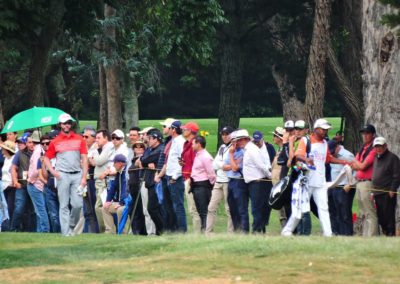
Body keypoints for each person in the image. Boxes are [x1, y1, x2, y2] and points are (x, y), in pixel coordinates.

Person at [282, 118, 349, 237]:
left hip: (320, 182)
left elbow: (328, 159)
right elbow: (297, 156)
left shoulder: (325, 143)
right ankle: (287, 230)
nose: (325, 132)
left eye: (326, 130)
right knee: (301, 208)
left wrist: (344, 162)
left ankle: (328, 234)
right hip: (307, 181)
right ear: (317, 129)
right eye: (323, 130)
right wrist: (306, 159)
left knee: (323, 208)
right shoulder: (305, 140)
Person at [44, 113, 88, 236]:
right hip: (62, 175)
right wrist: (53, 172)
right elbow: (47, 159)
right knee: (63, 205)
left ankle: (71, 226)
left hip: (77, 174)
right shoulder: (55, 142)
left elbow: (84, 159)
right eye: (64, 123)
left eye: (68, 123)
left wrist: (84, 177)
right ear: (60, 125)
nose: (67, 125)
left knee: (77, 205)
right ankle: (65, 233)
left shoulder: (79, 139)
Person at [155, 120, 187, 232]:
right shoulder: (173, 141)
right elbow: (169, 161)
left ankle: (181, 230)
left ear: (173, 129)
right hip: (168, 176)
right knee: (169, 206)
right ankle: (172, 229)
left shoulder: (180, 142)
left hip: (175, 178)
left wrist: (175, 176)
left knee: (178, 206)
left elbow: (182, 161)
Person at [350, 124, 378, 236]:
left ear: (373, 135)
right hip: (360, 182)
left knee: (369, 211)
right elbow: (354, 163)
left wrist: (358, 164)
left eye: (368, 133)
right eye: (364, 134)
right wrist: (358, 164)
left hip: (368, 182)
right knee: (363, 211)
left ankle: (371, 235)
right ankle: (365, 235)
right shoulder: (363, 148)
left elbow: (362, 166)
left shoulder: (374, 148)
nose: (365, 136)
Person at [206, 126, 234, 234]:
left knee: (228, 209)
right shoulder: (222, 147)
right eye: (223, 134)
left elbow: (230, 165)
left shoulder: (234, 147)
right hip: (219, 181)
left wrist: (221, 165)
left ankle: (230, 233)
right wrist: (223, 165)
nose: (224, 136)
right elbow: (214, 164)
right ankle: (209, 233)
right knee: (211, 207)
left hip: (228, 181)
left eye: (227, 134)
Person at [371, 137, 400, 236]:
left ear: (385, 146)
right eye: (376, 147)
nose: (378, 149)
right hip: (377, 193)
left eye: (380, 146)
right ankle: (386, 234)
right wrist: (372, 191)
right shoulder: (376, 158)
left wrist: (392, 189)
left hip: (387, 193)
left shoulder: (392, 158)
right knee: (381, 218)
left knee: (389, 218)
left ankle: (390, 235)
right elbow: (374, 175)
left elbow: (396, 176)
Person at [138, 129, 164, 235]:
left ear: (156, 139)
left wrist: (145, 162)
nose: (147, 140)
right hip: (150, 183)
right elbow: (143, 159)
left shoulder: (160, 149)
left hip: (156, 183)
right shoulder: (150, 149)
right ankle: (160, 231)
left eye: (150, 138)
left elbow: (144, 160)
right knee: (152, 209)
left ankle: (162, 230)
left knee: (153, 209)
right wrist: (145, 162)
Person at [74, 125, 98, 234]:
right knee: (87, 211)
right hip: (84, 181)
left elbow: (93, 163)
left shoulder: (96, 148)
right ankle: (89, 233)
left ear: (94, 137)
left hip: (93, 180)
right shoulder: (83, 149)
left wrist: (86, 161)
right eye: (83, 136)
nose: (83, 139)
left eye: (86, 137)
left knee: (94, 209)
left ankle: (96, 232)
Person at [327, 140, 355, 236]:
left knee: (345, 213)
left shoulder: (347, 155)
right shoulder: (331, 155)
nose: (332, 154)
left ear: (338, 147)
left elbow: (355, 171)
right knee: (337, 212)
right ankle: (340, 233)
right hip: (335, 186)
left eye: (333, 152)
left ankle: (347, 233)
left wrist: (350, 185)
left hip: (345, 187)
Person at [224, 130, 248, 233]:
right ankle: (237, 230)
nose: (233, 143)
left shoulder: (242, 152)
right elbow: (224, 167)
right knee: (232, 208)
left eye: (235, 141)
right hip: (231, 181)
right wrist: (232, 160)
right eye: (232, 141)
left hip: (240, 181)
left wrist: (231, 155)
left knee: (241, 208)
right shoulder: (232, 151)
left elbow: (235, 169)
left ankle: (244, 231)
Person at [10, 134, 36, 232]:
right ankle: (14, 229)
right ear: (26, 143)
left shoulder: (39, 153)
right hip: (22, 185)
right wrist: (15, 181)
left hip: (34, 185)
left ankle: (33, 231)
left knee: (34, 211)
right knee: (19, 208)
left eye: (34, 142)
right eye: (29, 142)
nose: (32, 144)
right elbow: (13, 168)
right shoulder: (20, 153)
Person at [179, 121, 201, 233]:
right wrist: (183, 163)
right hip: (186, 177)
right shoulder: (187, 143)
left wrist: (192, 179)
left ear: (191, 132)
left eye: (185, 129)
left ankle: (198, 233)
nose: (183, 130)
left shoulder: (194, 144)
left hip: (192, 179)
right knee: (191, 208)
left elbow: (195, 163)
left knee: (194, 208)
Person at [155, 118, 177, 232]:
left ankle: (172, 229)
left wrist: (159, 175)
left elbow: (167, 162)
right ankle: (167, 228)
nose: (162, 128)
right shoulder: (167, 140)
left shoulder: (172, 142)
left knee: (169, 205)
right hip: (162, 176)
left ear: (171, 128)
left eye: (164, 126)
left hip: (166, 177)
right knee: (164, 205)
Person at [27, 130, 50, 233]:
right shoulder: (40, 150)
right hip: (39, 182)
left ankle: (44, 230)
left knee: (40, 210)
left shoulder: (37, 151)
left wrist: (30, 178)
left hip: (35, 183)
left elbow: (36, 169)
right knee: (40, 209)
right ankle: (40, 230)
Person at [91, 129, 114, 233]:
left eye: (99, 138)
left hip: (104, 181)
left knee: (99, 207)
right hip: (99, 181)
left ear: (106, 138)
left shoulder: (108, 147)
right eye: (96, 138)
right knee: (99, 207)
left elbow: (99, 161)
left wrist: (95, 150)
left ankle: (105, 230)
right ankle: (105, 230)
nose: (96, 140)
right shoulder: (104, 148)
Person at [191, 135, 215, 231]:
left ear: (198, 144)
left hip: (203, 186)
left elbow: (211, 173)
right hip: (196, 186)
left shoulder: (206, 157)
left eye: (193, 144)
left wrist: (211, 185)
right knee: (200, 210)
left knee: (204, 210)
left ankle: (206, 230)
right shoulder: (198, 155)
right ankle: (203, 229)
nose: (192, 146)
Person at [101, 154, 130, 234]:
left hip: (126, 202)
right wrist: (107, 201)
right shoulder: (119, 173)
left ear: (120, 164)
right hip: (120, 202)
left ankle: (123, 234)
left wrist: (121, 203)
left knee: (121, 210)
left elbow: (126, 190)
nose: (113, 165)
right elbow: (113, 188)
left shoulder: (126, 173)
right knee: (105, 208)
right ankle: (110, 232)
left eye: (114, 163)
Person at [38, 133, 61, 233]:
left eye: (47, 143)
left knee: (63, 212)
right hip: (49, 188)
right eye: (42, 144)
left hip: (60, 187)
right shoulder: (43, 157)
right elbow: (45, 176)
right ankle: (56, 235)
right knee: (53, 215)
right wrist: (43, 163)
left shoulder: (58, 154)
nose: (45, 146)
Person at [128, 140, 147, 235]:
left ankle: (141, 231)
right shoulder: (133, 159)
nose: (139, 148)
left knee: (140, 210)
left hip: (139, 186)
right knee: (133, 211)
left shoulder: (142, 159)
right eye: (136, 147)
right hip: (133, 189)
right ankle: (136, 231)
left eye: (141, 147)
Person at [270, 127, 287, 228]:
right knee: (280, 208)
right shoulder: (279, 150)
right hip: (276, 184)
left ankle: (286, 227)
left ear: (280, 138)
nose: (273, 138)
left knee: (283, 207)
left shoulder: (284, 151)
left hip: (281, 184)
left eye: (274, 136)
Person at [0, 140, 16, 231]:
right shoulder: (6, 159)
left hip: (10, 186)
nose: (2, 150)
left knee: (10, 207)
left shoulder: (13, 159)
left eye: (3, 148)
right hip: (4, 186)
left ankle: (10, 226)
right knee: (5, 206)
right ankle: (7, 225)